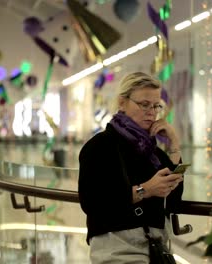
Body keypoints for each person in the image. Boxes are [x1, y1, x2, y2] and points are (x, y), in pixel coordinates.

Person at [78, 72, 184, 263]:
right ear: (122, 102)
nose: (151, 111)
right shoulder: (99, 146)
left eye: (156, 106)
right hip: (117, 249)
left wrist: (174, 144)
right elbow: (92, 203)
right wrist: (146, 190)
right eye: (144, 104)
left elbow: (174, 200)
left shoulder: (154, 153)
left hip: (156, 248)